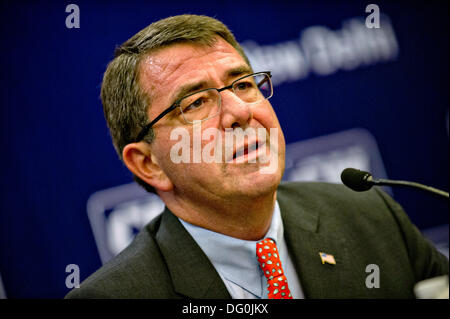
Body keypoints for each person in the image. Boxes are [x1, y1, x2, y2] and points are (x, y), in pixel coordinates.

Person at [66, 14, 448, 299]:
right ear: (149, 164)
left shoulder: (368, 217)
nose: (240, 112)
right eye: (196, 102)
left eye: (244, 84)